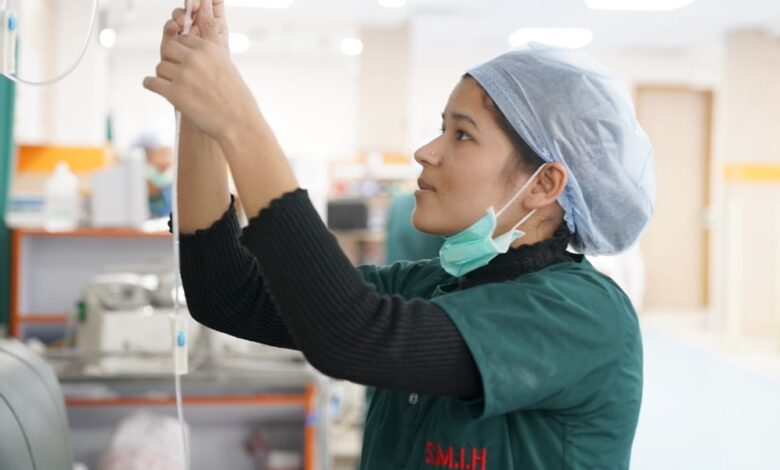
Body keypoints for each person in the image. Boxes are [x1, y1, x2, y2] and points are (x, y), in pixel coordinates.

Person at [144, 1, 655, 468]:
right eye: (441, 128)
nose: (425, 151)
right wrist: (201, 118)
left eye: (462, 134)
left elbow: (353, 336)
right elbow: (227, 294)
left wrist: (239, 122)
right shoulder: (428, 287)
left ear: (543, 184)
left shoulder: (584, 317)